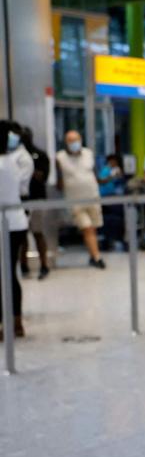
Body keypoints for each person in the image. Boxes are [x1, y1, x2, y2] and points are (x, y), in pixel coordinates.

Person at [56, 130, 106, 269]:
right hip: (75, 201)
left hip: (92, 197)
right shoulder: (60, 158)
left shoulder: (89, 154)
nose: (74, 143)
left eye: (76, 139)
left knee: (93, 228)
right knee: (87, 227)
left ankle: (92, 255)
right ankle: (97, 257)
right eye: (70, 140)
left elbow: (95, 175)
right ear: (66, 142)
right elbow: (59, 181)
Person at [0, 125, 31, 337]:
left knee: (4, 275)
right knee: (9, 273)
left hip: (5, 224)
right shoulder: (11, 162)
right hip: (16, 222)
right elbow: (22, 188)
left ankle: (7, 323)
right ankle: (15, 321)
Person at [17, 127, 53, 279]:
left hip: (37, 198)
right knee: (22, 235)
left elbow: (42, 177)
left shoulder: (40, 155)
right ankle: (23, 265)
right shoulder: (15, 157)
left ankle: (44, 265)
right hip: (20, 200)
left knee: (38, 232)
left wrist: (30, 171)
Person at [97, 154, 127, 251]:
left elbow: (121, 182)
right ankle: (107, 239)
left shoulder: (117, 170)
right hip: (105, 198)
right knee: (107, 220)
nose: (113, 163)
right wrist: (111, 176)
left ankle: (119, 238)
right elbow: (101, 181)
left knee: (119, 219)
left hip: (115, 197)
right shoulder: (105, 170)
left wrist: (119, 175)